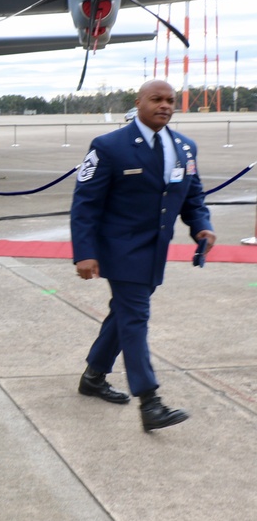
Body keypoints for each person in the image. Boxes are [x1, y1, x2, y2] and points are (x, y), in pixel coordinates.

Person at [71, 79, 215, 432]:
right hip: (119, 250)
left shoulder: (184, 147)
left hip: (155, 252)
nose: (164, 105)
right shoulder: (109, 146)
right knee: (135, 317)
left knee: (122, 314)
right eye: (156, 99)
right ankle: (150, 402)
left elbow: (192, 196)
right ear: (139, 103)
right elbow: (85, 203)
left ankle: (93, 376)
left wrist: (201, 226)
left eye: (169, 100)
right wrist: (85, 252)